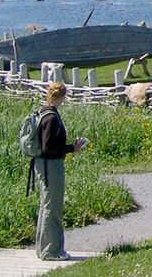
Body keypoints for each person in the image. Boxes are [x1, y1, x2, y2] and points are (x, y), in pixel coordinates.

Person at [35, 82, 88, 261]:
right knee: (53, 208)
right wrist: (72, 148)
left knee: (46, 206)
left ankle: (43, 249)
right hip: (51, 167)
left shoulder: (43, 112)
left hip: (43, 166)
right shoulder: (51, 118)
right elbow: (49, 147)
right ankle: (52, 251)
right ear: (60, 97)